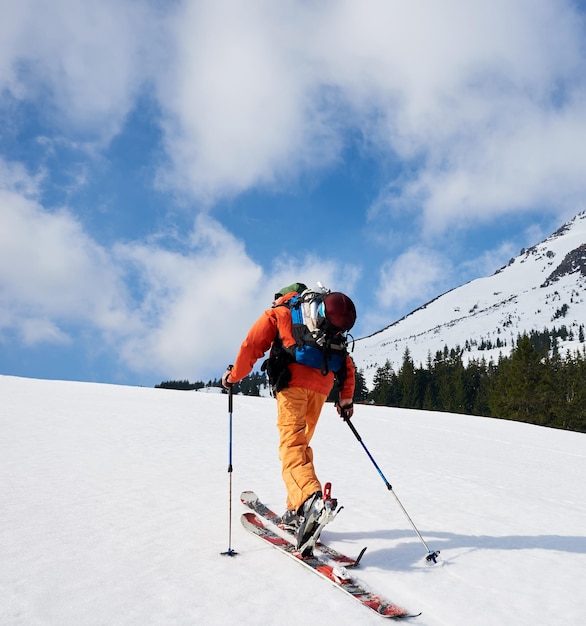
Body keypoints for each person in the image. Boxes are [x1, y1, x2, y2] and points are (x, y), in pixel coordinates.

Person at [221, 282, 356, 554]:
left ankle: (309, 500)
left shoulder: (281, 312)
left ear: (282, 295)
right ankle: (296, 511)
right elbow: (345, 358)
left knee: (292, 447)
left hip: (292, 384)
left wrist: (232, 377)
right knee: (301, 446)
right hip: (321, 387)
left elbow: (251, 346)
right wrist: (345, 399)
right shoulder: (319, 318)